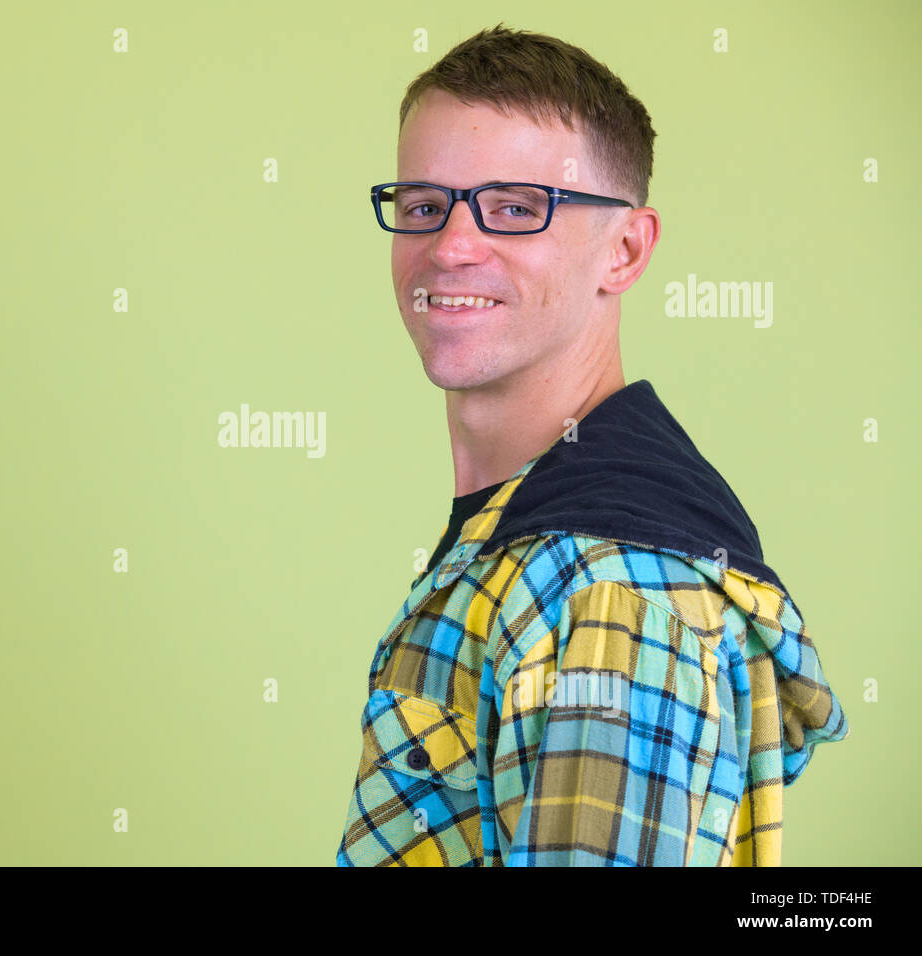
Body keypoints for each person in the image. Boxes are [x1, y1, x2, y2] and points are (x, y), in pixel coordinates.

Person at [336, 23, 849, 867]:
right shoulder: (520, 538)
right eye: (425, 206)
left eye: (513, 208)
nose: (452, 246)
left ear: (625, 249)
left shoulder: (610, 590)